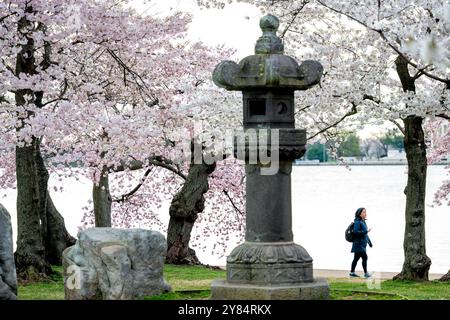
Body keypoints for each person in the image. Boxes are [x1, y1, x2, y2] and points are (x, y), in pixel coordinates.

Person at [349, 207, 373, 278]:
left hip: (362, 244)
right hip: (358, 244)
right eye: (363, 212)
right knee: (365, 257)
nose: (365, 213)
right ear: (359, 214)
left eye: (365, 212)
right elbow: (356, 232)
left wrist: (369, 242)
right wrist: (366, 231)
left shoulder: (363, 221)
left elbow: (365, 234)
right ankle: (366, 273)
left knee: (356, 258)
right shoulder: (357, 222)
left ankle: (352, 272)